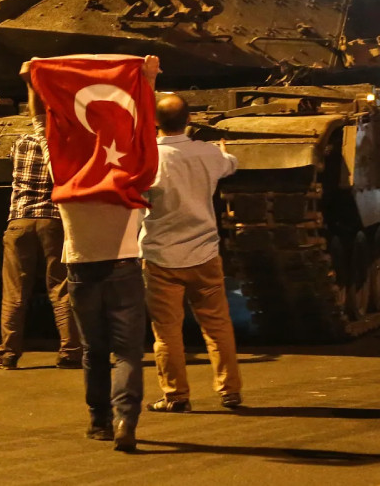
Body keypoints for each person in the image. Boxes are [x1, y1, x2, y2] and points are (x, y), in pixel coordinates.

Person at [23, 55, 160, 452]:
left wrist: (35, 84)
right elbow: (143, 132)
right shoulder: (130, 177)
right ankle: (125, 421)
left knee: (94, 351)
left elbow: (42, 126)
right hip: (125, 270)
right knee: (128, 352)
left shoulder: (65, 177)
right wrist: (147, 82)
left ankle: (98, 420)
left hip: (82, 272)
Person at [140, 94, 243, 413]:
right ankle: (229, 390)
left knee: (166, 331)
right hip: (204, 255)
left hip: (160, 259)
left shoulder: (146, 158)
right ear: (189, 119)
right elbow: (230, 165)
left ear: (155, 121)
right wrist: (222, 152)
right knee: (217, 325)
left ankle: (176, 395)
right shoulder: (207, 153)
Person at [0, 123, 81, 371]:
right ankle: (70, 351)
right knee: (61, 288)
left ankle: (8, 354)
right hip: (53, 221)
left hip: (19, 222)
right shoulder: (66, 144)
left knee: (14, 292)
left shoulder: (21, 143)